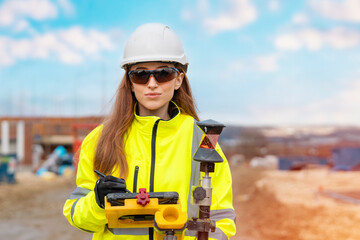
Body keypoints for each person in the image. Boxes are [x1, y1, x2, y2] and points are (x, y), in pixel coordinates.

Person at [63, 23, 236, 240]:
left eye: (163, 73)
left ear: (178, 79)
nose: (152, 83)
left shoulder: (202, 140)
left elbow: (222, 218)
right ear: (130, 81)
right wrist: (96, 201)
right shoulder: (100, 140)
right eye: (141, 75)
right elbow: (76, 214)